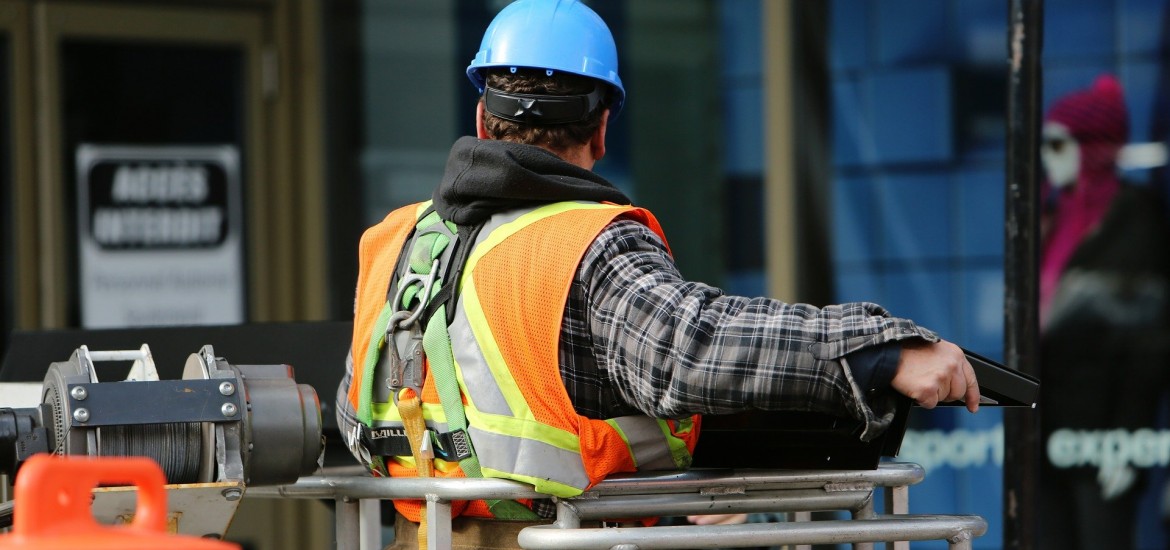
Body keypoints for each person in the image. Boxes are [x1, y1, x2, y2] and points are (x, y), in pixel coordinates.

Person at [334, 1, 980, 548]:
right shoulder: (585, 243)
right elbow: (689, 348)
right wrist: (875, 350)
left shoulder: (396, 240)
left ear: (481, 119)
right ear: (603, 127)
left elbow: (360, 411)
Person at [1036, 75, 1170, 550]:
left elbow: (1146, 342)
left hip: (1103, 432)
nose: (1046, 156)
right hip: (1044, 429)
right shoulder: (1049, 216)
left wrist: (1128, 439)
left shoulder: (1135, 217)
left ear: (1091, 146)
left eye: (1057, 143)